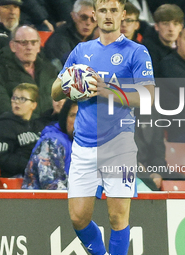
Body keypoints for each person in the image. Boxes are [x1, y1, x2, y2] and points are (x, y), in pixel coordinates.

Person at [51, 0, 155, 254]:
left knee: (118, 218)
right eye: (102, 11)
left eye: (113, 11)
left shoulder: (136, 52)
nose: (108, 15)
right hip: (84, 144)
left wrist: (105, 90)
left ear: (122, 15)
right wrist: (73, 85)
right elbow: (54, 93)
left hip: (119, 142)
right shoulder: (81, 51)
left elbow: (147, 96)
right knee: (78, 218)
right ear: (95, 15)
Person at [0, 25, 57, 122]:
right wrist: (33, 123)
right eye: (24, 43)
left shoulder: (49, 70)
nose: (29, 47)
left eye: (33, 43)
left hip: (50, 127)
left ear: (38, 47)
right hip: (16, 128)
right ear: (12, 46)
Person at [0, 83, 46, 177]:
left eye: (23, 99)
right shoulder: (3, 125)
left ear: (33, 105)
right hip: (14, 176)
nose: (17, 102)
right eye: (14, 98)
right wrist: (30, 164)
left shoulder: (38, 126)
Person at [22, 100, 77, 190]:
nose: (79, 121)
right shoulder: (52, 142)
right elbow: (52, 186)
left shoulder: (94, 144)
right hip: (41, 203)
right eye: (73, 115)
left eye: (84, 116)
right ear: (65, 119)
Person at [44, 0, 97, 69]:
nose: (88, 23)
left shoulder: (98, 37)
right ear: (73, 16)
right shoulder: (59, 39)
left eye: (93, 19)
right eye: (83, 17)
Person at [142, 4, 183, 70]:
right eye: (165, 24)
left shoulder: (183, 48)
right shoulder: (147, 50)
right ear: (156, 27)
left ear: (181, 27)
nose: (171, 29)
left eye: (175, 24)